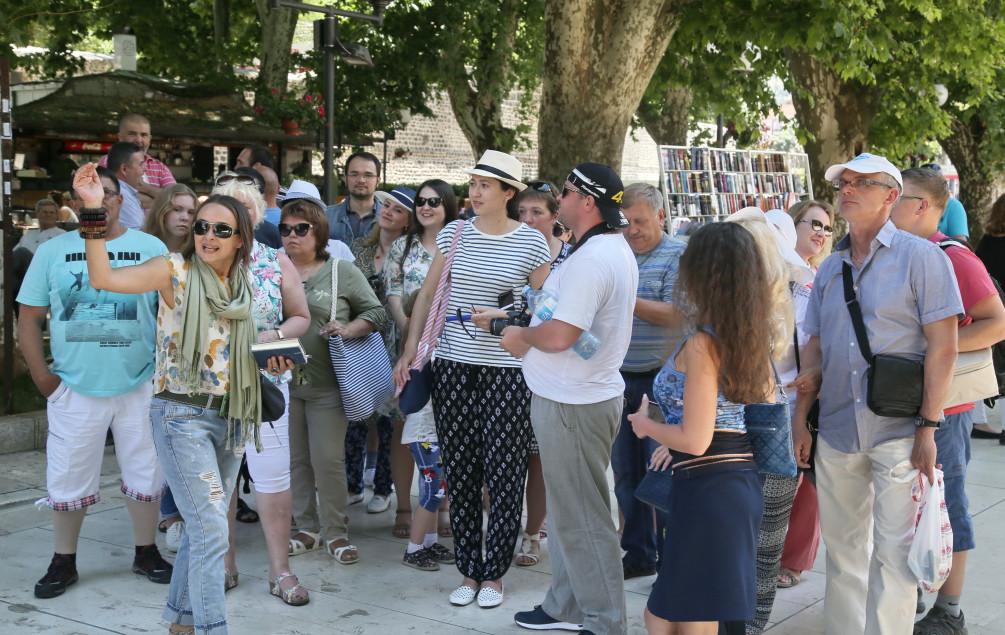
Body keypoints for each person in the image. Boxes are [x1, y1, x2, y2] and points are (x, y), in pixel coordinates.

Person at [80, 167, 290, 633]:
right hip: (181, 416)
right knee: (214, 527)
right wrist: (94, 210)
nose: (208, 236)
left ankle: (180, 621)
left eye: (221, 229)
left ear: (241, 239)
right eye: (201, 226)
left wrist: (271, 360)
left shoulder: (243, 288)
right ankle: (213, 628)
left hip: (232, 415)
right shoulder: (172, 271)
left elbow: (237, 350)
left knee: (203, 527)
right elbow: (102, 277)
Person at [791, 153, 962, 634]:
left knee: (894, 556)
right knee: (843, 555)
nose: (848, 189)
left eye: (862, 182)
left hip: (900, 428)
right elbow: (814, 350)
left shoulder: (922, 258)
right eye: (844, 182)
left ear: (891, 196)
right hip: (839, 428)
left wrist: (928, 427)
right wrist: (801, 417)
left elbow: (943, 349)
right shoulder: (829, 269)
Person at [395, 149, 551, 608]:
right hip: (452, 364)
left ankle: (495, 574)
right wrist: (411, 351)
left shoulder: (531, 242)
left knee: (505, 471)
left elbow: (547, 305)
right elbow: (427, 295)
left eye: (486, 184)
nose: (475, 191)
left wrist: (508, 315)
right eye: (474, 182)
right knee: (460, 469)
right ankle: (468, 568)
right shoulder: (455, 232)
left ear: (509, 192)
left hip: (508, 368)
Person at [18, 166, 172, 600]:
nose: (100, 202)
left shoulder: (149, 247)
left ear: (121, 199)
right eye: (90, 195)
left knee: (146, 472)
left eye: (107, 194)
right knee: (68, 475)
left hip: (140, 381)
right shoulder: (52, 251)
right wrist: (44, 378)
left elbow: (171, 314)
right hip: (74, 384)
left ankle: (146, 551)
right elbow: (28, 317)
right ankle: (63, 559)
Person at [503, 163, 636, 634]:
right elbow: (588, 339)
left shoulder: (596, 257)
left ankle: (604, 622)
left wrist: (520, 335)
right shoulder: (599, 250)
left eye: (564, 190)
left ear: (585, 199)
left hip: (574, 405)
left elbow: (562, 336)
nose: (558, 196)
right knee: (567, 514)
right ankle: (565, 605)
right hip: (571, 398)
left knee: (584, 519)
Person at [628, 221, 771, 635]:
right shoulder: (740, 333)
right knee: (678, 614)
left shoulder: (704, 343)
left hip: (711, 487)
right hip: (717, 483)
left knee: (683, 617)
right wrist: (670, 438)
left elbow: (697, 436)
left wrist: (646, 426)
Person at [891, 167, 1005, 634]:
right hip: (899, 404)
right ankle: (915, 592)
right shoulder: (894, 252)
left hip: (947, 409)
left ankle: (949, 610)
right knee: (907, 507)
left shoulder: (953, 258)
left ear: (923, 205)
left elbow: (996, 321)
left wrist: (939, 351)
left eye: (897, 197)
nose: (888, 206)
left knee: (946, 502)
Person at [209, 172, 314, 602]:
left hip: (265, 383)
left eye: (244, 212)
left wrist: (273, 337)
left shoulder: (275, 261)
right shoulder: (198, 265)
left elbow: (300, 317)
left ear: (254, 218)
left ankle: (280, 572)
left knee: (272, 478)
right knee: (221, 481)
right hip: (212, 387)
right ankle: (225, 563)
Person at [282, 197, 388, 565]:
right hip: (283, 383)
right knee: (295, 461)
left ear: (319, 231)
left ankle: (336, 531)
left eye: (300, 229)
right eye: (285, 229)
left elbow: (376, 311)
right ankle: (307, 528)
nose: (291, 236)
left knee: (327, 460)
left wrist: (347, 328)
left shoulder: (341, 270)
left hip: (329, 383)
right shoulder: (273, 269)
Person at [606, 183, 686, 582]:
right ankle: (637, 553)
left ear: (660, 216)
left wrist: (623, 297)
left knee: (664, 470)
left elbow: (677, 314)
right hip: (619, 377)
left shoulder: (679, 255)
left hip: (663, 382)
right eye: (625, 222)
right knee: (625, 472)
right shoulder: (616, 253)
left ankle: (674, 560)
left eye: (639, 221)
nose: (632, 229)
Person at [722, 210, 797, 635]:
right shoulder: (766, 303)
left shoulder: (743, 315)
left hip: (754, 443)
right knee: (759, 554)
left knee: (755, 553)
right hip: (767, 440)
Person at [385, 179, 459, 541]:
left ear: (448, 205)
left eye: (434, 201)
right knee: (405, 429)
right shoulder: (403, 246)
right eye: (420, 201)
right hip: (407, 349)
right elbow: (394, 295)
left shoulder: (461, 246)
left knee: (444, 430)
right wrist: (412, 334)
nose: (426, 207)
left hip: (450, 350)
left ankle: (440, 508)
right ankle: (404, 506)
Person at [507, 179, 570, 567]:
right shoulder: (507, 250)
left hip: (550, 365)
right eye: (522, 213)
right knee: (507, 453)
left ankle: (534, 532)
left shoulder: (572, 257)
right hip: (507, 361)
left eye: (537, 213)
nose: (528, 220)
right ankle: (505, 526)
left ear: (555, 216)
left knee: (539, 457)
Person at [775, 199, 835, 590]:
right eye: (813, 222)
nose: (820, 232)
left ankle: (794, 560)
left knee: (805, 481)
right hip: (764, 392)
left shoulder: (825, 280)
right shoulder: (768, 275)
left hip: (807, 397)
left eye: (828, 228)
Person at [346, 187, 413, 515]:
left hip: (394, 342)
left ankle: (383, 487)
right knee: (356, 415)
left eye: (397, 210)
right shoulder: (359, 247)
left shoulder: (409, 254)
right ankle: (353, 482)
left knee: (389, 420)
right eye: (386, 205)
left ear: (407, 222)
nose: (387, 211)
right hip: (360, 341)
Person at [142, 183, 198, 550]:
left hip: (191, 368)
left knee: (186, 444)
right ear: (162, 211)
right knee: (156, 450)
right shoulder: (145, 252)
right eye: (177, 209)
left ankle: (181, 513)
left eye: (191, 212)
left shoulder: (203, 254)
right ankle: (168, 514)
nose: (184, 217)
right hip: (146, 366)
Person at [98, 113, 176, 208]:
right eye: (132, 134)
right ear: (120, 137)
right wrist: (159, 200)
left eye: (144, 135)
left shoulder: (160, 167)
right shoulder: (108, 161)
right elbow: (109, 197)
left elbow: (177, 198)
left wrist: (146, 188)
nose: (139, 140)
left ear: (150, 139)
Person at [326, 151, 382, 245]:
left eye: (368, 175)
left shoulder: (390, 220)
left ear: (378, 181)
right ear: (345, 179)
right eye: (354, 174)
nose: (361, 180)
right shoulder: (326, 217)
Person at [107, 141, 148, 229]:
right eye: (141, 164)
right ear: (124, 169)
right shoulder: (122, 195)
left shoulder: (118, 190)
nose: (145, 169)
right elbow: (138, 237)